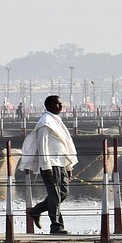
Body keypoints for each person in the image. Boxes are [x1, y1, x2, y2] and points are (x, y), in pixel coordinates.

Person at [20, 95, 78, 235]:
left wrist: (68, 166)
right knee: (54, 196)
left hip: (61, 163)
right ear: (49, 105)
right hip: (51, 164)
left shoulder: (56, 121)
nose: (60, 106)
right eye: (57, 104)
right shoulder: (45, 122)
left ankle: (36, 210)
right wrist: (46, 166)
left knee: (63, 193)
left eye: (61, 104)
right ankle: (56, 226)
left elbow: (64, 145)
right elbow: (43, 145)